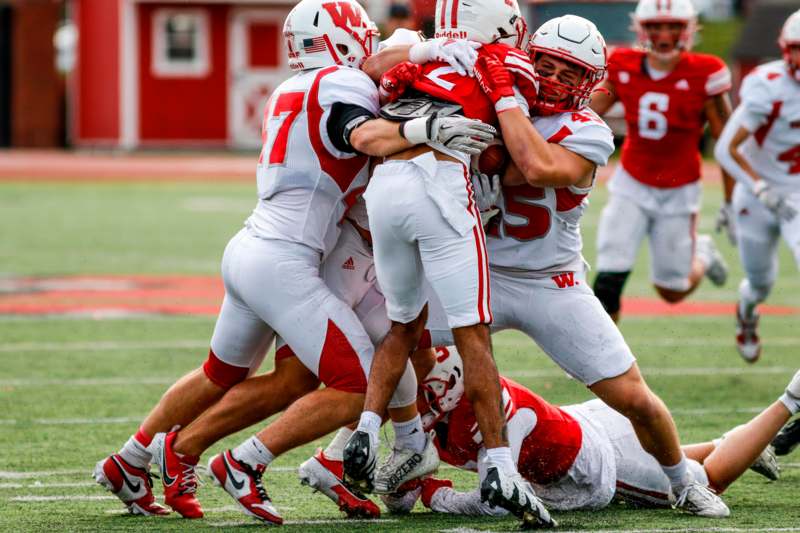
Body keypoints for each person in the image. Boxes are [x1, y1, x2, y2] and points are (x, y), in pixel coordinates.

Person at [93, 0, 492, 521]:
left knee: (221, 372)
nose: (369, 46)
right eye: (361, 35)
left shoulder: (292, 87)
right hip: (286, 262)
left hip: (254, 249)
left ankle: (132, 457)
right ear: (341, 38)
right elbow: (362, 134)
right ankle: (243, 463)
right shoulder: (341, 86)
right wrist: (424, 130)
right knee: (358, 383)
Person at [427, 13, 728, 517]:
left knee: (631, 395)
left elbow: (534, 167)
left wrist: (501, 99)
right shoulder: (490, 99)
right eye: (545, 66)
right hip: (480, 273)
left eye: (569, 74)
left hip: (553, 283)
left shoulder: (585, 129)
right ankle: (398, 454)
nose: (552, 80)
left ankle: (682, 480)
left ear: (587, 85)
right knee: (399, 346)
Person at [341, 0, 554, 528]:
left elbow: (371, 68)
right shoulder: (503, 60)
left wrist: (424, 48)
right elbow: (511, 145)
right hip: (441, 183)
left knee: (403, 324)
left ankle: (368, 429)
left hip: (385, 184)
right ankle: (500, 468)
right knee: (471, 334)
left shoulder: (415, 59)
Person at [380, 346, 798, 518]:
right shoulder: (455, 410)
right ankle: (738, 442)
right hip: (588, 424)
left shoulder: (494, 418)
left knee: (708, 481)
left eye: (421, 396)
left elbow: (499, 499)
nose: (412, 406)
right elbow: (400, 500)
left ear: (445, 391)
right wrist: (401, 482)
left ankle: (791, 399)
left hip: (600, 461)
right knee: (676, 458)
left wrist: (438, 494)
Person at [589, 0, 732, 322]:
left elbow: (726, 141)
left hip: (680, 189)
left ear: (689, 29)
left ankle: (703, 255)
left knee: (671, 289)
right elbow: (588, 112)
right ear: (641, 28)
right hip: (631, 182)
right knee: (608, 279)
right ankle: (599, 362)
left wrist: (734, 199)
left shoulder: (705, 71)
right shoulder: (624, 64)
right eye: (655, 26)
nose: (664, 35)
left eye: (673, 27)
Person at [713, 8, 800, 363]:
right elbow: (725, 148)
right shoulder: (769, 85)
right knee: (761, 282)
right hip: (758, 192)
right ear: (785, 49)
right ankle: (747, 312)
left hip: (796, 195)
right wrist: (762, 189)